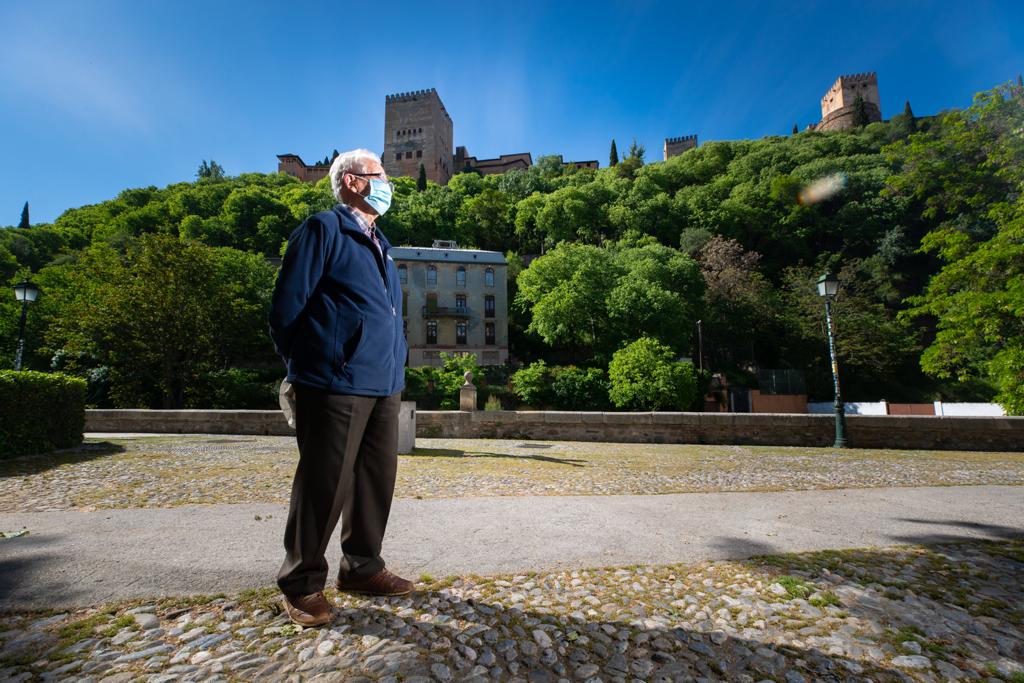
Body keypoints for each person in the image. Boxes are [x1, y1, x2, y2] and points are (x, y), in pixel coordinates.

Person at [269, 148, 411, 626]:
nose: (389, 182)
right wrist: (308, 366)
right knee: (324, 484)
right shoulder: (323, 230)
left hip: (383, 383)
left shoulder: (382, 244)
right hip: (333, 382)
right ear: (353, 181)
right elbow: (286, 309)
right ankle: (301, 583)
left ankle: (362, 568)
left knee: (376, 482)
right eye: (381, 174)